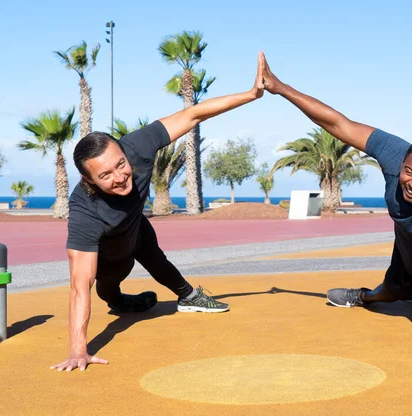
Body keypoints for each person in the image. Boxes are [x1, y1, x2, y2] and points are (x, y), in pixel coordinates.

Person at [260, 54, 412, 364]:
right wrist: (280, 87)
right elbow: (338, 123)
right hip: (406, 245)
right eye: (409, 172)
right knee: (390, 292)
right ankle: (369, 295)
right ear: (403, 161)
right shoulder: (395, 153)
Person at [50, 53, 266, 372]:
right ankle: (122, 301)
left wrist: (251, 95)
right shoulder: (84, 210)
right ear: (89, 180)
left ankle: (190, 297)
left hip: (137, 228)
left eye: (120, 165)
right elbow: (78, 286)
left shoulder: (138, 145)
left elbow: (193, 114)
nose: (120, 176)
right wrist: (77, 350)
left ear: (124, 152)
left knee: (157, 260)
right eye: (106, 175)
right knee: (106, 288)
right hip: (111, 255)